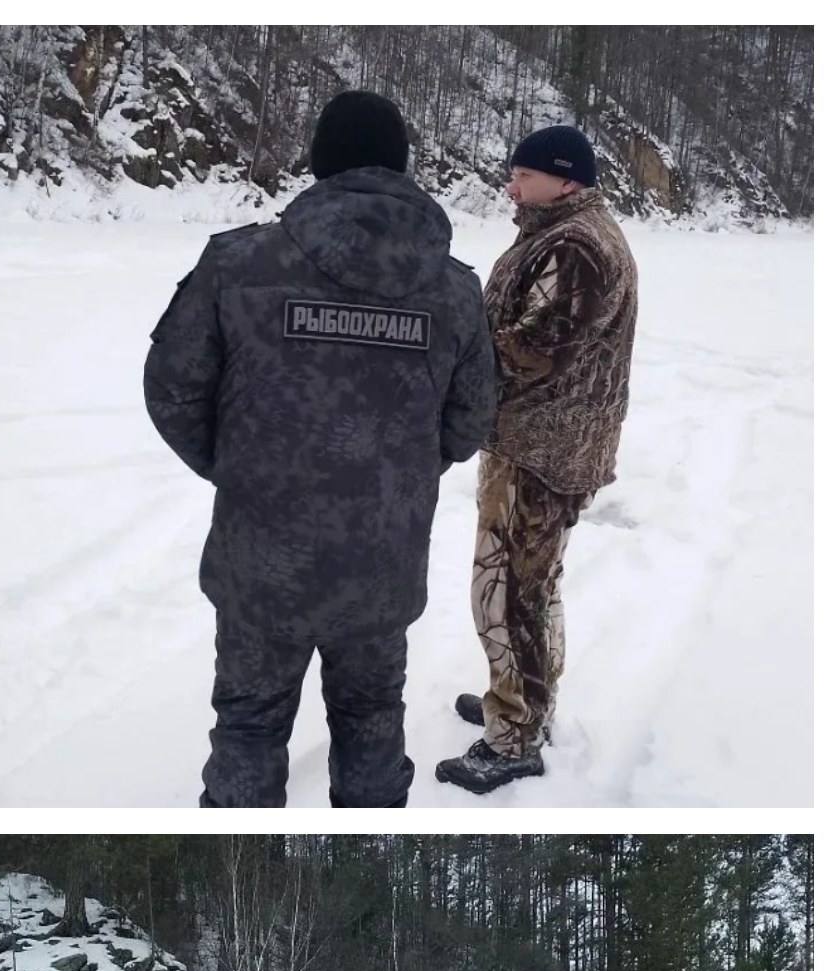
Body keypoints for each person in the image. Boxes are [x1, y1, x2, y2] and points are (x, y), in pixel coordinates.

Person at [144, 91, 495, 809]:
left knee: (247, 727)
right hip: (380, 562)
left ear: (318, 164)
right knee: (372, 722)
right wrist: (394, 473)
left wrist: (247, 469)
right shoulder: (453, 291)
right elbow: (472, 417)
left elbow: (173, 390)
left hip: (262, 564)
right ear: (400, 167)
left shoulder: (240, 263)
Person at [437, 124, 638, 793]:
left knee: (505, 592)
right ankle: (526, 704)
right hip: (545, 440)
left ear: (566, 180)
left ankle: (515, 732)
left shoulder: (576, 245)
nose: (511, 185)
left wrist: (450, 354)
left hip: (539, 448)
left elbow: (530, 349)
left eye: (524, 175)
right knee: (534, 584)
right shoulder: (562, 233)